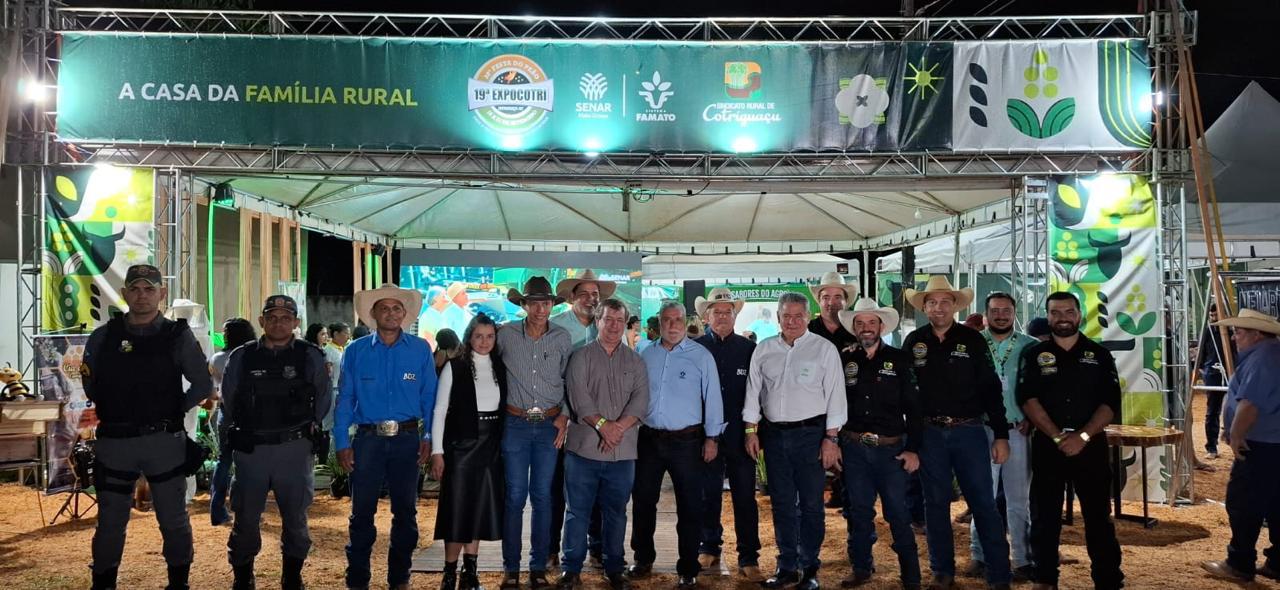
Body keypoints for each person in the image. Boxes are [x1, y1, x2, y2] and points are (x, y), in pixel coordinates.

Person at [81, 264, 213, 590]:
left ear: (161, 294)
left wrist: (171, 411)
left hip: (163, 442)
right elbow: (90, 385)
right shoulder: (103, 337)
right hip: (116, 442)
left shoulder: (177, 335)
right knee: (110, 522)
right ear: (125, 293)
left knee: (173, 520)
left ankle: (178, 583)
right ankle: (104, 582)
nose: (142, 295)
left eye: (149, 289)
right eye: (135, 289)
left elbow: (202, 385)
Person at [901, 276, 1011, 590]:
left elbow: (992, 390)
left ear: (954, 305)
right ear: (924, 307)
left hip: (969, 431)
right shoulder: (914, 342)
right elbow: (906, 393)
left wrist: (1001, 435)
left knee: (983, 504)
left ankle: (999, 575)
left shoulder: (973, 340)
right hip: (929, 433)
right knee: (934, 504)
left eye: (945, 301)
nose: (938, 307)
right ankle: (942, 571)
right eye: (932, 302)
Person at [221, 295, 331, 590]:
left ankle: (292, 576)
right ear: (262, 321)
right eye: (272, 317)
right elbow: (228, 401)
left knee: (295, 519)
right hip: (252, 450)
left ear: (296, 322)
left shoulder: (310, 356)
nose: (278, 323)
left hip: (294, 450)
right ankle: (243, 577)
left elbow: (322, 400)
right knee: (245, 519)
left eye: (285, 318)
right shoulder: (242, 356)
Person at [335, 283, 439, 590]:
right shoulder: (355, 351)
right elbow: (345, 398)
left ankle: (400, 579)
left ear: (404, 314)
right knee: (361, 513)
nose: (391, 313)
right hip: (367, 442)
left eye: (397, 308)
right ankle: (357, 580)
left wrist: (430, 436)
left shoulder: (420, 349)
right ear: (373, 314)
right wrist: (342, 442)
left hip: (408, 440)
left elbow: (429, 398)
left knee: (405, 512)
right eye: (384, 308)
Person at [1017, 292, 1124, 590]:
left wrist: (1083, 436)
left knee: (1098, 518)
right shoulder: (1034, 355)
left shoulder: (1099, 355)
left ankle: (1108, 580)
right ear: (1048, 316)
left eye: (1068, 311)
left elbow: (1110, 403)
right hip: (1048, 446)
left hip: (1091, 447)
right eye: (1055, 312)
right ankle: (1045, 578)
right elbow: (1027, 399)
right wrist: (1056, 436)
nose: (1062, 317)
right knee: (1045, 516)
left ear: (1079, 315)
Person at [743, 292, 847, 590]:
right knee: (782, 504)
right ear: (778, 317)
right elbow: (753, 392)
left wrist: (831, 438)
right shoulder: (763, 350)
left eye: (798, 316)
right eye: (786, 316)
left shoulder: (823, 349)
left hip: (811, 436)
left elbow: (836, 397)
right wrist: (751, 430)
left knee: (813, 505)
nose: (792, 321)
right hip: (774, 436)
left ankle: (810, 568)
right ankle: (787, 565)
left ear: (807, 316)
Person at [626, 301, 724, 588]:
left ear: (686, 321)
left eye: (677, 319)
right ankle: (643, 559)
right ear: (659, 322)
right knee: (643, 502)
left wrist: (712, 438)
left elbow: (713, 399)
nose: (672, 325)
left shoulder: (701, 356)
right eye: (666, 319)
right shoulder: (644, 353)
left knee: (691, 506)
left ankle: (688, 566)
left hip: (688, 442)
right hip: (649, 440)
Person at [556, 298, 649, 590]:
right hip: (583, 451)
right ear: (598, 321)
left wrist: (617, 428)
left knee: (616, 513)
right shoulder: (580, 357)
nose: (614, 326)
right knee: (577, 512)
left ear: (626, 324)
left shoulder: (635, 361)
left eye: (619, 321)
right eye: (608, 320)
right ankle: (571, 569)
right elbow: (578, 398)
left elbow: (641, 401)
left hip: (622, 454)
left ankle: (614, 568)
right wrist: (603, 426)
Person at [834, 298, 922, 589]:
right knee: (858, 511)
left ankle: (911, 575)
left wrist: (913, 448)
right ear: (854, 328)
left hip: (891, 449)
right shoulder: (845, 359)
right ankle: (861, 567)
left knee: (897, 512)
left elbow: (915, 406)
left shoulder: (900, 359)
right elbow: (835, 403)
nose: (866, 328)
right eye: (860, 323)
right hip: (854, 447)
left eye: (871, 322)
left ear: (881, 326)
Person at [496, 277, 573, 590]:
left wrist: (566, 415)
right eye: (535, 302)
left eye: (546, 302)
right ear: (523, 305)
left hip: (549, 426)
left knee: (542, 497)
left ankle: (538, 567)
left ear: (553, 304)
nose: (541, 308)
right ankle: (511, 569)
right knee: (514, 497)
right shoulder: (505, 335)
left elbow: (571, 379)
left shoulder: (563, 338)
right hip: (514, 423)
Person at [1201, 308, 1280, 583]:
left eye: (1239, 332)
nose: (1235, 337)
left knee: (1243, 503)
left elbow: (1250, 404)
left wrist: (1235, 435)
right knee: (1275, 503)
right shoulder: (1270, 353)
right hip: (1272, 443)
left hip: (1260, 443)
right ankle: (1278, 561)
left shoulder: (1264, 357)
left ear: (1257, 334)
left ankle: (1239, 562)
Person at [431, 313, 508, 590]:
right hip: (461, 448)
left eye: (490, 336)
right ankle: (449, 572)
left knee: (478, 510)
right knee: (457, 509)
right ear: (469, 337)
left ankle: (470, 572)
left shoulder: (500, 366)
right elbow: (439, 411)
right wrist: (437, 452)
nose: (484, 342)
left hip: (490, 448)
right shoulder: (455, 366)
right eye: (479, 336)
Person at [966, 293, 1040, 582]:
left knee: (1018, 498)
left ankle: (1022, 559)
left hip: (1016, 430)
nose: (1000, 315)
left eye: (1006, 311)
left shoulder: (1029, 347)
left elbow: (1037, 387)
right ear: (985, 314)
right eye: (994, 310)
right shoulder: (973, 343)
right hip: (980, 429)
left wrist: (1032, 418)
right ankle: (979, 555)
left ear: (1014, 313)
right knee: (981, 497)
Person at [693, 288, 763, 582]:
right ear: (706, 316)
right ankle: (709, 545)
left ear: (736, 315)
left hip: (739, 434)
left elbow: (758, 395)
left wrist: (752, 432)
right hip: (706, 436)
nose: (722, 316)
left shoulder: (749, 350)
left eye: (727, 312)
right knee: (708, 494)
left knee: (745, 496)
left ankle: (748, 556)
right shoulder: (694, 348)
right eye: (716, 312)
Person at [550, 270, 618, 568]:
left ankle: (597, 548)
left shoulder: (608, 328)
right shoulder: (557, 329)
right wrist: (564, 414)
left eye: (595, 295)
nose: (591, 299)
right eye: (585, 294)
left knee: (597, 488)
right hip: (563, 420)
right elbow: (556, 379)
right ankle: (552, 549)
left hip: (598, 421)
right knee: (556, 488)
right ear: (571, 298)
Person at [209, 318, 257, 527]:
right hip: (252, 415)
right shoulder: (253, 355)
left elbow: (213, 387)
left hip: (225, 413)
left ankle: (217, 509)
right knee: (249, 462)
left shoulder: (217, 358)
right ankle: (245, 508)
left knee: (224, 460)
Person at [1197, 303, 1236, 459]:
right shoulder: (1208, 332)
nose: (1213, 318)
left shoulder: (1231, 332)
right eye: (1211, 315)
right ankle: (1211, 447)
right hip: (1212, 375)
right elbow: (1201, 353)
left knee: (1233, 409)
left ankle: (1236, 443)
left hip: (1231, 375)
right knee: (1212, 411)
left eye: (1216, 315)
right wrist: (1203, 371)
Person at [808, 271, 859, 350]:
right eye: (826, 297)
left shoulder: (857, 331)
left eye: (837, 297)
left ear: (846, 301)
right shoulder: (807, 330)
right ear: (819, 301)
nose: (831, 303)